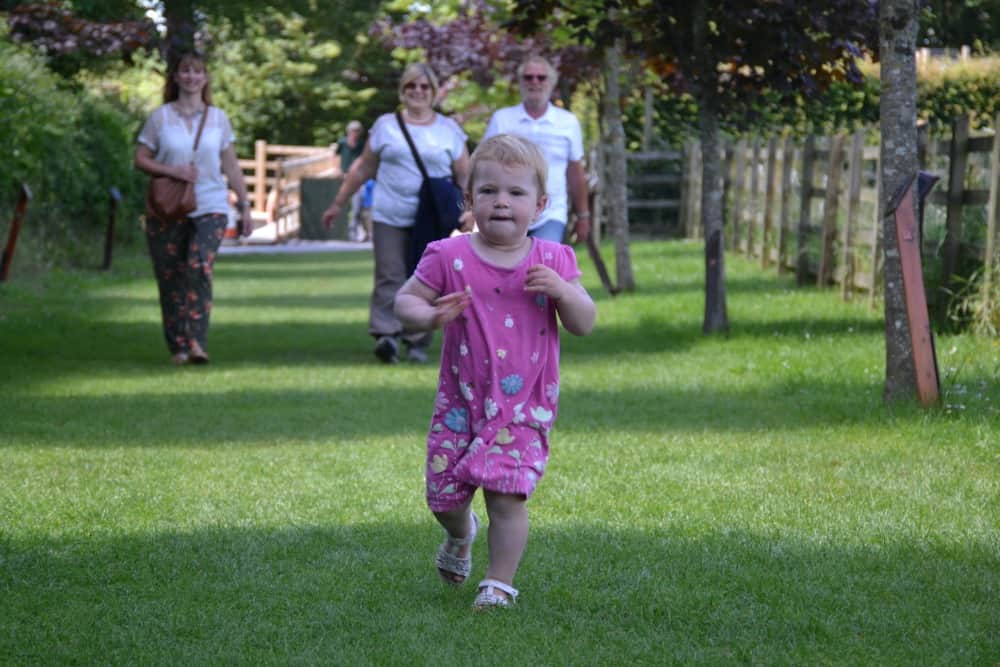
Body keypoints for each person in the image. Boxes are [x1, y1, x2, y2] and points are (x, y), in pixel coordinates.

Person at [394, 134, 596, 609]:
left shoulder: (554, 260)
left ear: (541, 204)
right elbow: (405, 301)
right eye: (487, 191)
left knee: (507, 494)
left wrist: (565, 293)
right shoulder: (448, 256)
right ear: (469, 200)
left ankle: (498, 583)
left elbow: (585, 323)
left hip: (524, 404)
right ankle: (461, 534)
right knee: (444, 499)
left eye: (516, 193)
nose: (501, 202)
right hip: (460, 403)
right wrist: (427, 316)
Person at [321, 63, 472, 364]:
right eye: (411, 86)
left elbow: (465, 174)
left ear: (433, 92)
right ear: (402, 91)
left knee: (427, 277)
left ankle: (417, 340)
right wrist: (338, 202)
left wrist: (470, 212)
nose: (417, 92)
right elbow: (363, 167)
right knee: (389, 273)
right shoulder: (386, 125)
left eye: (424, 87)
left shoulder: (448, 130)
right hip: (390, 213)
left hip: (432, 216)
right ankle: (386, 335)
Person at [134, 51, 254, 365]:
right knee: (170, 274)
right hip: (168, 207)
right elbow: (141, 158)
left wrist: (244, 203)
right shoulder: (160, 117)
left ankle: (198, 342)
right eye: (185, 71)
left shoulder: (219, 119)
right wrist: (173, 172)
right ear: (176, 77)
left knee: (199, 266)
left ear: (206, 78)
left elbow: (231, 164)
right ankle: (179, 346)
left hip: (210, 203)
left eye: (197, 72)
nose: (191, 77)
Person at [483, 55, 591, 244]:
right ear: (520, 82)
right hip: (505, 212)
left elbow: (576, 173)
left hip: (550, 214)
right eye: (528, 77)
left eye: (541, 77)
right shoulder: (502, 120)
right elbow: (483, 168)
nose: (535, 82)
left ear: (551, 82)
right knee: (507, 270)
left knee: (542, 268)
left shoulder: (568, 122)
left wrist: (583, 215)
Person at [334, 120, 366, 241]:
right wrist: (337, 170)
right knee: (341, 205)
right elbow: (336, 156)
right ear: (349, 131)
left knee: (357, 206)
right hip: (343, 177)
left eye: (358, 131)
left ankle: (354, 232)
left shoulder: (362, 144)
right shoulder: (342, 142)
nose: (355, 133)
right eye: (353, 131)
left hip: (357, 180)